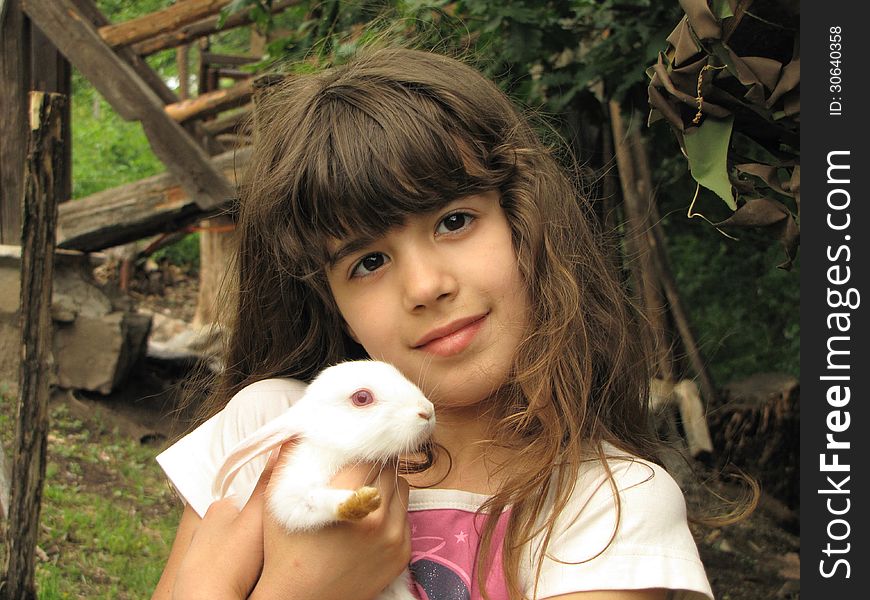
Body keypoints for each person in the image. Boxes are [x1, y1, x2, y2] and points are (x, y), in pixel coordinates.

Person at [152, 47, 717, 600]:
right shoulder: (267, 433)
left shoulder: (606, 510)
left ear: (526, 219)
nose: (425, 287)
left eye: (454, 221)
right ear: (330, 301)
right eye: (368, 262)